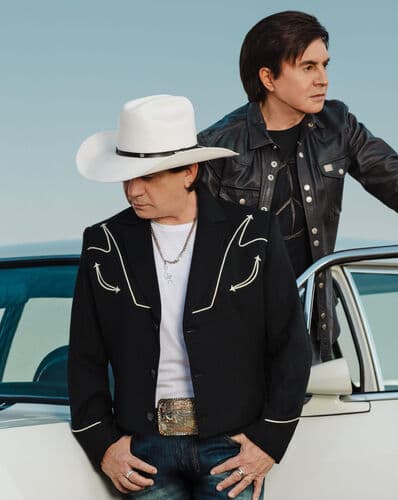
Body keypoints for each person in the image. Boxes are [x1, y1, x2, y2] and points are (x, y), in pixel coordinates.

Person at [198, 10, 398, 362]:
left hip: (314, 331)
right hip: (238, 341)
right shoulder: (217, 147)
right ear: (268, 77)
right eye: (308, 67)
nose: (322, 79)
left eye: (325, 66)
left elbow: (397, 178)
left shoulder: (337, 126)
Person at [68, 94, 311, 499]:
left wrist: (269, 441)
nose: (133, 190)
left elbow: (290, 344)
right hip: (143, 451)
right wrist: (103, 444)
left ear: (189, 172)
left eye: (147, 177)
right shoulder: (103, 242)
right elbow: (84, 354)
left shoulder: (254, 233)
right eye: (127, 177)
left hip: (231, 447)